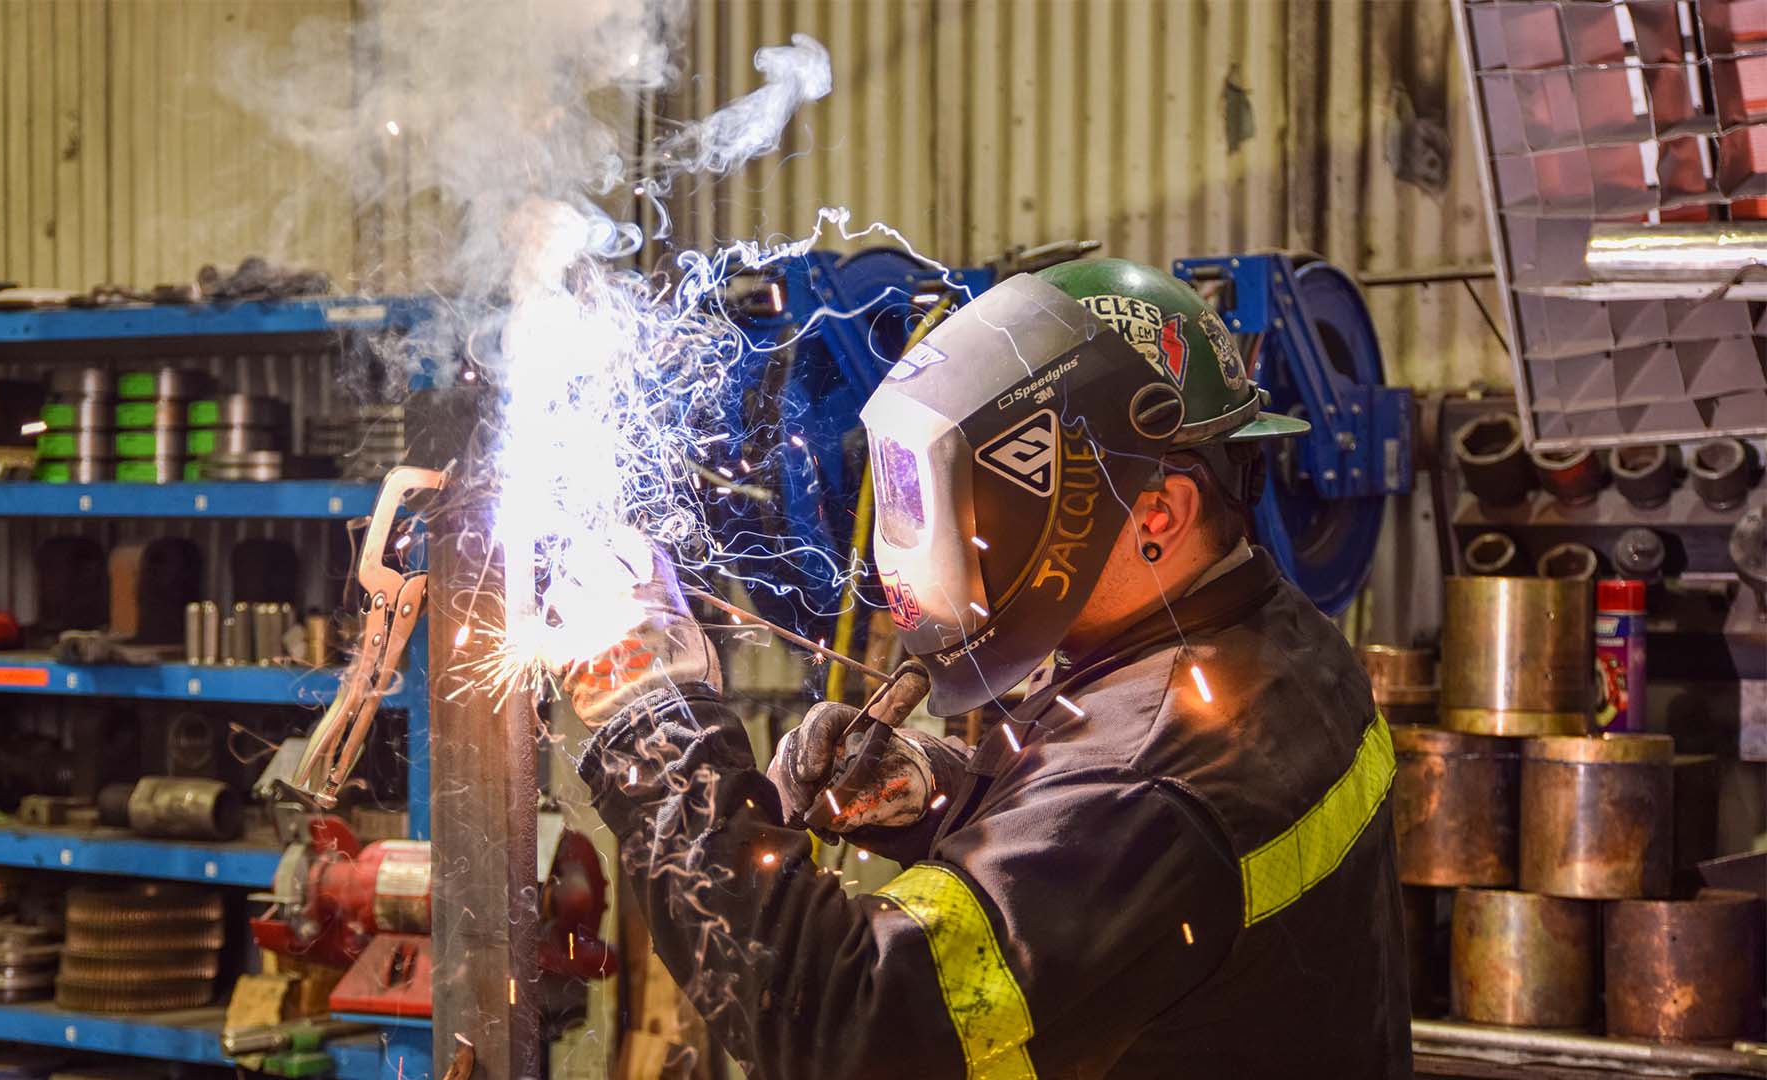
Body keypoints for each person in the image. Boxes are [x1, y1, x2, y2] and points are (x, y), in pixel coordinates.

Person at [560, 259, 1411, 1078]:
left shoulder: (1146, 781)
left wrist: (656, 732)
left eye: (995, 500)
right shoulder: (1280, 638)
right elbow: (1128, 885)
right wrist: (942, 795)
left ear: (1157, 510)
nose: (957, 538)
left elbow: (843, 1023)